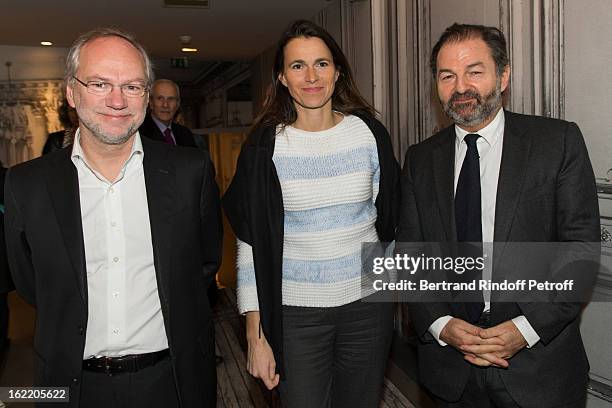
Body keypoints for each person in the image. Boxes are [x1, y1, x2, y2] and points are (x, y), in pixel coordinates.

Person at [4, 28, 222, 407]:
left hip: (172, 382)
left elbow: (203, 264)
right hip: (70, 387)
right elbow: (31, 282)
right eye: (100, 83)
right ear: (72, 92)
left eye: (133, 86)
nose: (118, 100)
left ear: (146, 96)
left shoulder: (191, 171)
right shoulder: (27, 185)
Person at [397, 23, 600, 408]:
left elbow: (580, 253)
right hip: (450, 373)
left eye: (474, 71)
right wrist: (441, 325)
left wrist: (524, 329)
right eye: (447, 76)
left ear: (503, 76)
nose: (460, 87)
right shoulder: (420, 160)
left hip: (540, 369)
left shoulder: (557, 143)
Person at [223, 19, 399, 408]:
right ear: (283, 78)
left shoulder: (369, 134)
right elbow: (251, 242)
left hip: (368, 310)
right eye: (297, 66)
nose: (311, 76)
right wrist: (255, 334)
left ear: (337, 71)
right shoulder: (265, 147)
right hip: (296, 316)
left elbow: (387, 220)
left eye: (321, 63)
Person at [138, 79, 197, 147]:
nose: (165, 105)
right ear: (151, 102)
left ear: (177, 104)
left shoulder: (185, 134)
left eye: (171, 99)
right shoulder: (140, 133)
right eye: (160, 98)